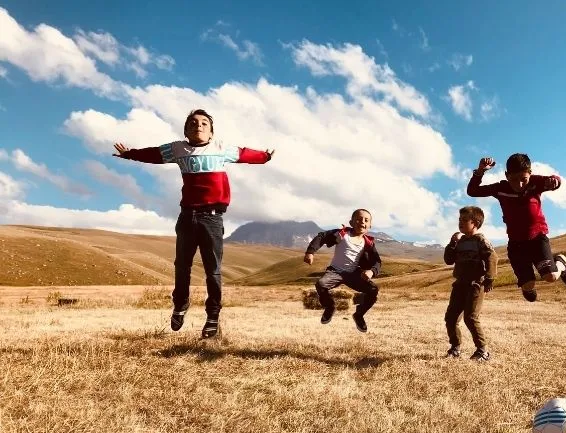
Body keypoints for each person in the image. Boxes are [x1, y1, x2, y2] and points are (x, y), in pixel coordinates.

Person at [113, 109, 274, 338]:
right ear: (186, 130)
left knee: (213, 270)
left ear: (211, 132)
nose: (198, 126)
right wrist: (130, 154)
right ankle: (180, 305)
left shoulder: (221, 148)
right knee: (182, 266)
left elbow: (246, 154)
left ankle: (213, 315)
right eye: (193, 123)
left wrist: (265, 156)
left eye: (204, 123)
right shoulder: (178, 149)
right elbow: (154, 154)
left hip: (212, 218)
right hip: (187, 217)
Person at [467, 154, 566, 302]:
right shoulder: (500, 188)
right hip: (516, 244)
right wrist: (480, 171)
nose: (519, 185)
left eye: (524, 179)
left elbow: (556, 180)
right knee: (528, 285)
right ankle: (528, 286)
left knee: (550, 277)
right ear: (506, 175)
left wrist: (554, 182)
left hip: (537, 238)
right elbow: (473, 191)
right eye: (513, 180)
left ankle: (561, 264)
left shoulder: (536, 182)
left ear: (530, 173)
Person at [303, 209, 381, 333]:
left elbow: (377, 261)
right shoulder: (342, 233)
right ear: (351, 222)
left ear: (370, 225)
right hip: (335, 272)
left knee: (373, 290)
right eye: (359, 219)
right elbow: (321, 237)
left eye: (366, 220)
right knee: (321, 284)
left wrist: (371, 271)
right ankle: (329, 307)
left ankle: (359, 315)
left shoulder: (369, 243)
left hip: (353, 274)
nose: (362, 222)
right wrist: (310, 252)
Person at [444, 206, 498, 361]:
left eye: (464, 220)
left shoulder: (480, 240)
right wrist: (452, 244)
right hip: (460, 284)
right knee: (451, 317)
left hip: (475, 284)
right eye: (459, 220)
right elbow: (449, 260)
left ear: (475, 223)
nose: (460, 223)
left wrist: (489, 278)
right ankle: (455, 348)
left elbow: (492, 258)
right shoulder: (460, 242)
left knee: (471, 317)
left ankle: (483, 351)